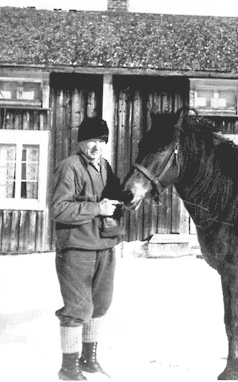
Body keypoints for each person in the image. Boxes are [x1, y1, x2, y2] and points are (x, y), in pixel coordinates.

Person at [50, 116, 124, 381]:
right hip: (77, 249)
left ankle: (89, 361)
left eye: (101, 140)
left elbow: (115, 200)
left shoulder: (105, 166)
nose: (97, 146)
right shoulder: (69, 167)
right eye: (91, 140)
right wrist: (97, 208)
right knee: (77, 309)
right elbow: (58, 209)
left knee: (100, 305)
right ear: (80, 141)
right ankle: (68, 369)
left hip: (104, 245)